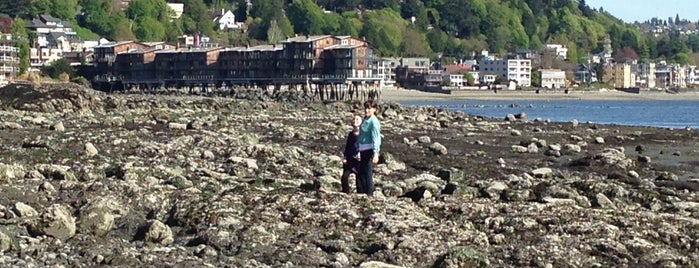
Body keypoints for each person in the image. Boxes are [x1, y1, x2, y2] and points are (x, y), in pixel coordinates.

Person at [356, 99, 381, 196]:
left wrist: (376, 153)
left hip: (369, 149)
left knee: (367, 172)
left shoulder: (374, 121)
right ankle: (362, 192)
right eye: (366, 108)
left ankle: (370, 193)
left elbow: (376, 137)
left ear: (374, 109)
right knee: (361, 172)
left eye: (369, 108)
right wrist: (358, 149)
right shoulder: (365, 119)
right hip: (362, 148)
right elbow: (361, 135)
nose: (367, 110)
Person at [340, 114, 362, 193]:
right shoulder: (351, 134)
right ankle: (345, 192)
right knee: (344, 177)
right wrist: (345, 157)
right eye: (354, 119)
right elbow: (347, 147)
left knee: (359, 180)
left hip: (359, 160)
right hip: (350, 159)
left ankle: (361, 194)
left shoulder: (363, 134)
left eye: (357, 119)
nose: (355, 121)